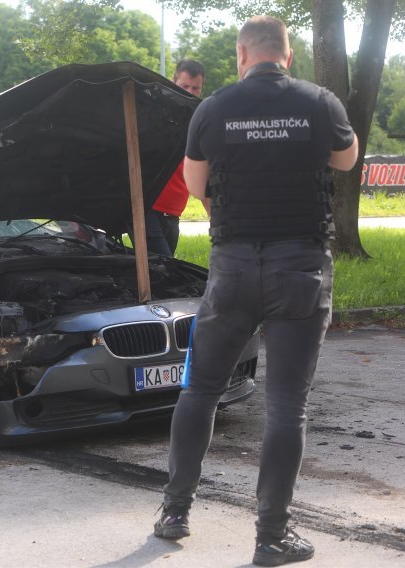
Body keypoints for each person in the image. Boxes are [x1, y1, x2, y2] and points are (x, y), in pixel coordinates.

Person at [153, 15, 358, 567]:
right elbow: (346, 159)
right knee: (287, 405)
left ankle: (174, 513)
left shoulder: (213, 108)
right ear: (287, 56)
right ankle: (271, 537)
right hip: (300, 268)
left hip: (233, 268)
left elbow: (195, 185)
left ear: (242, 56)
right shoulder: (320, 102)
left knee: (199, 391)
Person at [145, 59, 208, 257]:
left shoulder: (200, 123)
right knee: (163, 265)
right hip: (148, 209)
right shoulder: (155, 115)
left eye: (195, 88)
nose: (189, 92)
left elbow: (206, 173)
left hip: (174, 213)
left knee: (166, 275)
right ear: (173, 82)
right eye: (184, 86)